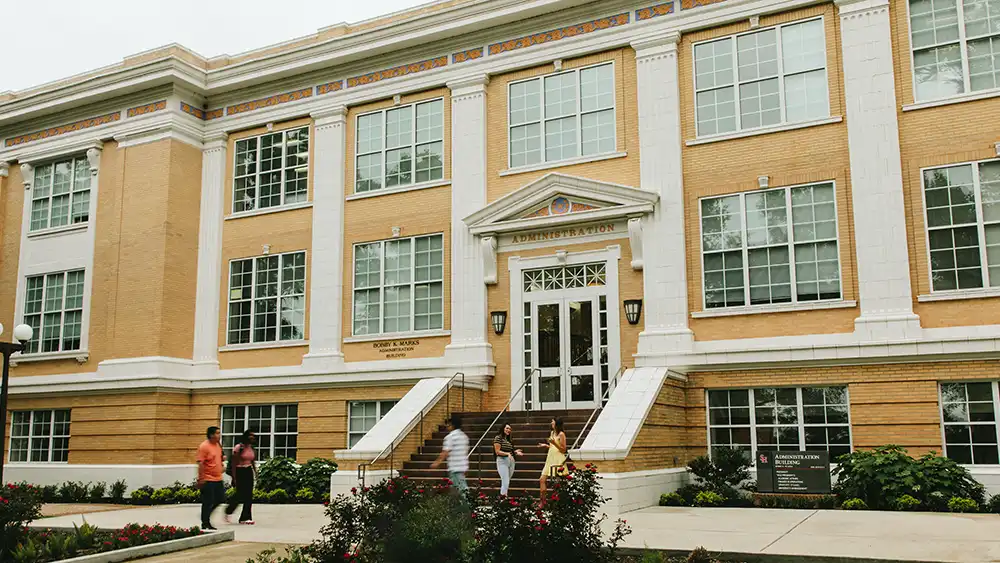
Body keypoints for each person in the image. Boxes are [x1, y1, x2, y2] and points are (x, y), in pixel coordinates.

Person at [224, 429, 257, 525]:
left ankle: (245, 517)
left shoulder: (251, 448)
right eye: (250, 435)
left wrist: (255, 472)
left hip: (248, 471)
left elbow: (252, 461)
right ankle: (228, 510)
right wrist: (234, 477)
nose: (252, 437)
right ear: (246, 436)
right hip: (239, 471)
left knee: (249, 495)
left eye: (253, 436)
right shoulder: (239, 447)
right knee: (240, 494)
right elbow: (234, 463)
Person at [431, 415, 469, 493]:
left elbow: (445, 452)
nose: (447, 427)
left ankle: (468, 504)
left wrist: (436, 463)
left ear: (452, 426)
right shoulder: (464, 436)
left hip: (455, 467)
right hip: (463, 466)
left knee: (461, 491)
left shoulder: (450, 437)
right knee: (458, 489)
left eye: (448, 425)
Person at [197, 426, 225, 530]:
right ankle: (205, 522)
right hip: (208, 479)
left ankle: (206, 514)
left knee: (220, 499)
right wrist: (201, 478)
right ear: (211, 435)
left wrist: (221, 465)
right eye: (217, 433)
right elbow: (201, 463)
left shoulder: (218, 445)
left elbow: (219, 458)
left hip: (218, 478)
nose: (219, 435)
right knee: (208, 501)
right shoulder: (204, 446)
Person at [538, 417, 567, 505]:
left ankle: (558, 501)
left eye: (553, 422)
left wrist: (554, 443)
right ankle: (543, 501)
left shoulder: (561, 434)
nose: (551, 423)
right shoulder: (552, 433)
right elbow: (552, 446)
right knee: (542, 480)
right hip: (550, 458)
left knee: (557, 482)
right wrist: (546, 445)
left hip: (558, 458)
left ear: (557, 424)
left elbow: (563, 449)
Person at [493, 423, 522, 496]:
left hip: (511, 461)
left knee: (507, 481)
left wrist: (515, 452)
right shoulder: (498, 438)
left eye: (510, 429)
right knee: (505, 481)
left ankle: (504, 498)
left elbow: (510, 452)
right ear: (503, 428)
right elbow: (497, 451)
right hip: (502, 461)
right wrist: (507, 454)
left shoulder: (509, 440)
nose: (508, 430)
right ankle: (503, 500)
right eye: (507, 428)